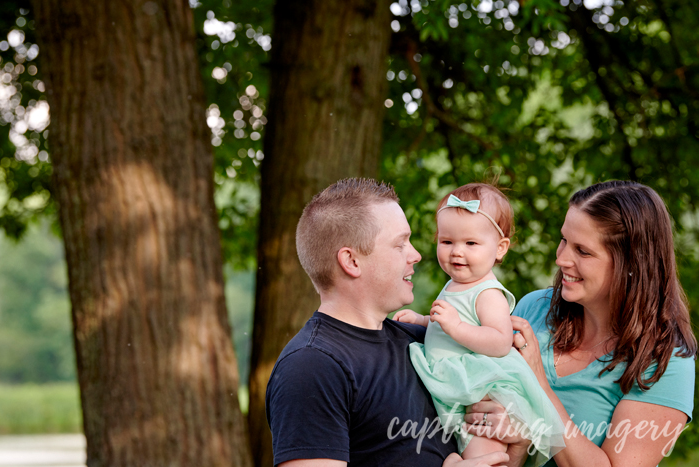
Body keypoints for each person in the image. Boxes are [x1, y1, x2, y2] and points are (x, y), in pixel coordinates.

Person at [265, 178, 512, 467]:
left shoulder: (424, 344)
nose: (416, 255)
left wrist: (512, 442)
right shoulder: (312, 367)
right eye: (400, 244)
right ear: (352, 261)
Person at [465, 181, 697, 467]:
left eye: (583, 251)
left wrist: (540, 389)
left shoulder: (666, 362)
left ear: (632, 264)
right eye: (563, 240)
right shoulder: (533, 309)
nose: (561, 258)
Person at [394, 184, 565, 466]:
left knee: (482, 447)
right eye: (447, 242)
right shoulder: (456, 283)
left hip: (483, 389)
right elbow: (450, 328)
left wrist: (455, 327)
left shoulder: (488, 293)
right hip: (461, 382)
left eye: (471, 244)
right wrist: (424, 321)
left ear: (500, 249)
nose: (457, 252)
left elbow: (498, 341)